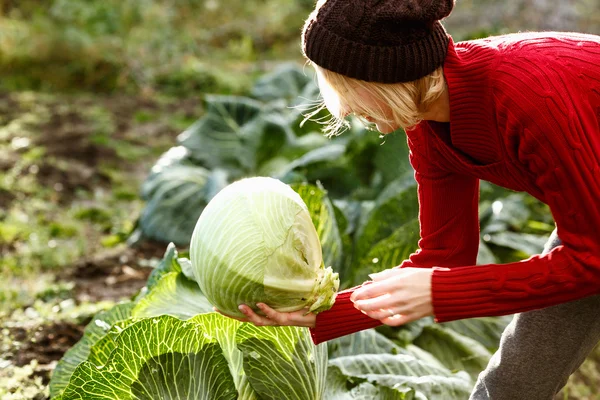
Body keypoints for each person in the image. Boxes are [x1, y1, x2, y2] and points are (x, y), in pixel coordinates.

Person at [221, 0, 600, 398]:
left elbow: (590, 259)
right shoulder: (427, 120)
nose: (345, 108)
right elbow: (444, 256)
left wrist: (440, 292)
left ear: (385, 75)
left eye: (346, 87)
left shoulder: (530, 97)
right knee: (513, 383)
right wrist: (321, 312)